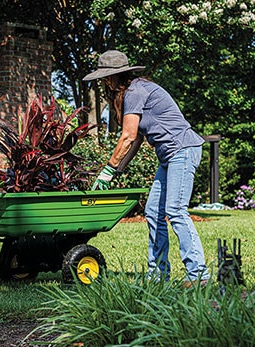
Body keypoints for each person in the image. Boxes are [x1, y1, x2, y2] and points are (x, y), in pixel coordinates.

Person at [84, 50, 209, 285]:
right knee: (153, 212)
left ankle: (199, 275)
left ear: (115, 76)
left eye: (106, 78)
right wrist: (117, 170)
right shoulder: (134, 92)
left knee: (175, 210)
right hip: (170, 156)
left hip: (182, 150)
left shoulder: (135, 92)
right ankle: (158, 276)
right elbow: (137, 139)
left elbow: (128, 136)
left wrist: (107, 170)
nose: (105, 83)